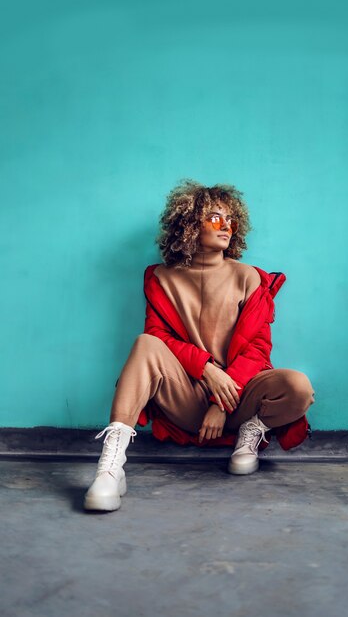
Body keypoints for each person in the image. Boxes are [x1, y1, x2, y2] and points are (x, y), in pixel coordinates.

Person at [84, 180, 315, 512]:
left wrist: (221, 403)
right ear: (190, 223)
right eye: (215, 217)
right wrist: (206, 369)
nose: (227, 227)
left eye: (231, 220)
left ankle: (252, 431)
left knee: (298, 386)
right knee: (145, 343)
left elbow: (257, 350)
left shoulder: (250, 277)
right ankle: (110, 468)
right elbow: (160, 338)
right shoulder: (161, 278)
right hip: (185, 396)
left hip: (240, 399)